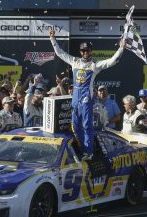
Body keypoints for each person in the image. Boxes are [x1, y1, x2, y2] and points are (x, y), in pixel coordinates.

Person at [50, 29, 124, 159]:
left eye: (88, 50)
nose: (85, 53)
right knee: (75, 125)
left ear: (91, 51)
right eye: (83, 51)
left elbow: (111, 61)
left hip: (86, 97)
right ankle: (80, 149)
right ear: (80, 52)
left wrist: (121, 49)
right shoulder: (75, 61)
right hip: (75, 97)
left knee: (86, 125)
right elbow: (60, 53)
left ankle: (88, 152)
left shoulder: (94, 64)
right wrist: (52, 39)